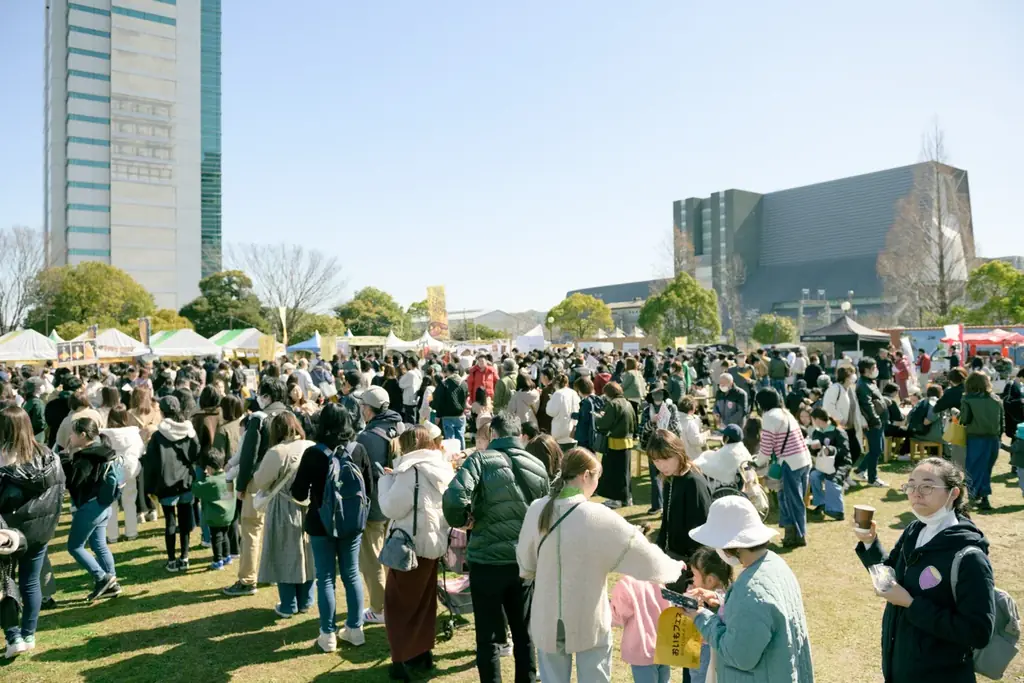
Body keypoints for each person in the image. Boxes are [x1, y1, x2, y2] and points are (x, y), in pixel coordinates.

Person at [517, 447, 684, 683]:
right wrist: (674, 568)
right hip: (588, 617)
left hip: (546, 616)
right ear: (586, 475)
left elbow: (525, 565)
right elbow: (642, 551)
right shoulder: (597, 515)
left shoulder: (537, 509)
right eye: (597, 477)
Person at [853, 458, 996, 683]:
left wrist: (911, 604)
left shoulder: (969, 556)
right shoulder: (915, 530)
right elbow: (890, 576)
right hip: (900, 665)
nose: (916, 494)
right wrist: (870, 543)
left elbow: (978, 632)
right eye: (911, 486)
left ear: (953, 493)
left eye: (927, 486)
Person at [443, 412, 550, 683]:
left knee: (488, 637)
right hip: (523, 561)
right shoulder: (537, 464)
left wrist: (463, 520)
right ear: (519, 434)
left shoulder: (480, 459)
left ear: (493, 434)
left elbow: (454, 497)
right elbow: (546, 513)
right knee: (524, 634)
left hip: (487, 560)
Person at [682, 496, 813, 682]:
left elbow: (739, 656)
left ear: (730, 545)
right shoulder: (776, 564)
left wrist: (701, 617)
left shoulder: (750, 590)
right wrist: (723, 602)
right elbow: (761, 616)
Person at [291, 403, 375, 652]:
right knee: (351, 574)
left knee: (325, 578)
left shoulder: (313, 453)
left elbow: (298, 492)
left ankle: (327, 634)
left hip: (321, 523)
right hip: (352, 523)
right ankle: (355, 629)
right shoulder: (358, 449)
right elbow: (369, 488)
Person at [378, 425, 456, 681]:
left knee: (397, 606)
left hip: (410, 546)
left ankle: (401, 660)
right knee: (424, 603)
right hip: (434, 544)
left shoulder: (409, 470)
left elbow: (391, 508)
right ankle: (422, 654)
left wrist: (385, 481)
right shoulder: (443, 467)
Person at [0, 406, 64, 655]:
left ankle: (14, 636)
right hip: (38, 532)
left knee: (5, 583)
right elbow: (59, 493)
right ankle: (27, 634)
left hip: (8, 533)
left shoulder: (4, 459)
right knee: (30, 582)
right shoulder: (48, 455)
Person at [223, 379, 288, 596]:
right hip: (284, 481)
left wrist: (241, 485)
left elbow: (249, 456)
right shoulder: (290, 416)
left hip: (259, 480)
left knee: (251, 529)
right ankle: (273, 574)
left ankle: (247, 579)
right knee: (276, 529)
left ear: (267, 396)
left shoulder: (258, 419)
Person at [251, 411, 316, 615]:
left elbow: (261, 481)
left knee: (284, 552)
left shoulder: (277, 452)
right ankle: (306, 600)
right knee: (308, 552)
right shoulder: (310, 446)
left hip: (284, 506)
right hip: (310, 505)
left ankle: (288, 604)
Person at [355, 385, 403, 625]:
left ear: (368, 409)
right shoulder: (400, 426)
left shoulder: (365, 437)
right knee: (390, 556)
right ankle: (392, 602)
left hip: (374, 504)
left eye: (362, 405)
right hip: (397, 500)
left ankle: (379, 607)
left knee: (372, 558)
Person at [63, 417, 123, 602]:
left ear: (83, 435)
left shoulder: (86, 457)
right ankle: (112, 583)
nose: (70, 437)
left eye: (73, 433)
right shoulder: (105, 451)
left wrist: (65, 459)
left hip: (90, 507)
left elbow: (73, 482)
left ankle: (102, 577)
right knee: (99, 545)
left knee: (74, 546)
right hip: (104, 505)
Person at [144, 396, 200, 573]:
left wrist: (149, 488)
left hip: (166, 484)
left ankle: (171, 560)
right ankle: (185, 557)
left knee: (170, 522)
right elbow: (196, 453)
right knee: (185, 522)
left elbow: (151, 464)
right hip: (185, 482)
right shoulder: (188, 431)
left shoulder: (158, 436)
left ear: (162, 412)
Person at [647, 429, 712, 574]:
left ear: (678, 453)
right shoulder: (670, 478)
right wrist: (658, 550)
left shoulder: (694, 483)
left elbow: (703, 530)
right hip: (671, 558)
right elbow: (667, 522)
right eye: (656, 461)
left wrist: (696, 570)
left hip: (691, 564)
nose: (662, 466)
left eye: (666, 459)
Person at [756, 388, 812, 548]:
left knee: (791, 500)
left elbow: (766, 447)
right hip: (803, 459)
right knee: (793, 499)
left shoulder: (769, 416)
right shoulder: (785, 413)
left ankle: (798, 536)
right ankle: (793, 535)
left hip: (790, 462)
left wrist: (758, 462)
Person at [682, 546, 735, 683]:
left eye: (695, 575)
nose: (692, 580)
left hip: (706, 653)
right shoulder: (731, 593)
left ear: (710, 580)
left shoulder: (719, 600)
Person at [610, 573, 672, 683]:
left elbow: (618, 615)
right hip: (662, 646)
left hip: (642, 648)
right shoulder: (658, 579)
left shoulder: (627, 583)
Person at [960, 371, 1003, 511]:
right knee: (986, 469)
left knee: (973, 468)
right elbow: (1001, 420)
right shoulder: (996, 398)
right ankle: (984, 497)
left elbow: (965, 419)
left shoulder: (967, 398)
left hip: (975, 437)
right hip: (993, 437)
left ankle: (973, 497)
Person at [101, 406, 144, 543]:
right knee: (130, 501)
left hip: (111, 469)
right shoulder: (133, 433)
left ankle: (112, 535)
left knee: (111, 503)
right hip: (129, 468)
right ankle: (131, 532)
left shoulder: (103, 435)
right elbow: (141, 450)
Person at [190, 446, 235, 569]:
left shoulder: (211, 482)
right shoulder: (229, 478)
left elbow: (196, 489)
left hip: (215, 516)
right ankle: (227, 556)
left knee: (216, 537)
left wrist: (196, 478)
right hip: (228, 514)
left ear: (209, 467)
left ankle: (217, 560)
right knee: (225, 535)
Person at [595, 382, 636, 509]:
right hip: (628, 441)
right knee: (625, 473)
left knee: (613, 472)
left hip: (615, 442)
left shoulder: (613, 404)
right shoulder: (628, 403)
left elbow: (604, 424)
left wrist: (598, 418)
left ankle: (616, 500)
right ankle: (627, 498)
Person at [807, 407, 851, 522]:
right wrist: (813, 448)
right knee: (814, 476)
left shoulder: (838, 432)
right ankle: (821, 503)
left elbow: (844, 452)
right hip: (823, 465)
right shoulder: (817, 432)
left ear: (817, 419)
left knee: (832, 480)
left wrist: (830, 449)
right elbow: (815, 452)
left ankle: (837, 511)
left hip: (840, 464)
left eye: (812, 419)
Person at [853, 358, 888, 488]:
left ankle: (860, 470)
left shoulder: (869, 382)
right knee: (876, 450)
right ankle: (873, 478)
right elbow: (867, 405)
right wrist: (875, 420)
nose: (876, 370)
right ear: (867, 370)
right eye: (874, 368)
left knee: (877, 449)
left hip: (878, 421)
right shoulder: (863, 385)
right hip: (873, 422)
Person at [693, 424, 752, 490]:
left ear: (727, 438)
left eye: (724, 435)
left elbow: (710, 465)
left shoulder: (727, 451)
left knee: (700, 465)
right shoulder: (741, 448)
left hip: (726, 483)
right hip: (739, 481)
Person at [434, 363, 469, 450]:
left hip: (447, 415)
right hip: (460, 415)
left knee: (450, 440)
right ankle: (463, 454)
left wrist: (438, 415)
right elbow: (465, 398)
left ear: (448, 371)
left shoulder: (445, 384)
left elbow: (440, 400)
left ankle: (452, 455)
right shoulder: (464, 383)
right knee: (460, 437)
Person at [546, 373, 580, 452]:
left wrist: (550, 400)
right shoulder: (573, 392)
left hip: (560, 430)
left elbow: (550, 412)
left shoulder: (557, 394)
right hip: (573, 429)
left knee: (561, 456)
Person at [572, 377, 601, 452]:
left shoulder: (586, 402)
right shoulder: (598, 399)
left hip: (584, 435)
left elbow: (583, 417)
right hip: (594, 434)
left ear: (580, 390)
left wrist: (573, 415)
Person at [621, 358, 647, 425]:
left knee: (631, 414)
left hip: (630, 396)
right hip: (638, 396)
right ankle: (636, 428)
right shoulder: (638, 372)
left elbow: (624, 385)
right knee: (635, 413)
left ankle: (632, 428)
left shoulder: (629, 373)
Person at [399, 357, 423, 425]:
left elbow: (401, 384)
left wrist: (406, 383)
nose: (407, 364)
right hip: (416, 395)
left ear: (411, 363)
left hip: (409, 397)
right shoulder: (418, 372)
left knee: (409, 417)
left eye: (408, 363)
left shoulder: (410, 373)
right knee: (414, 415)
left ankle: (410, 429)